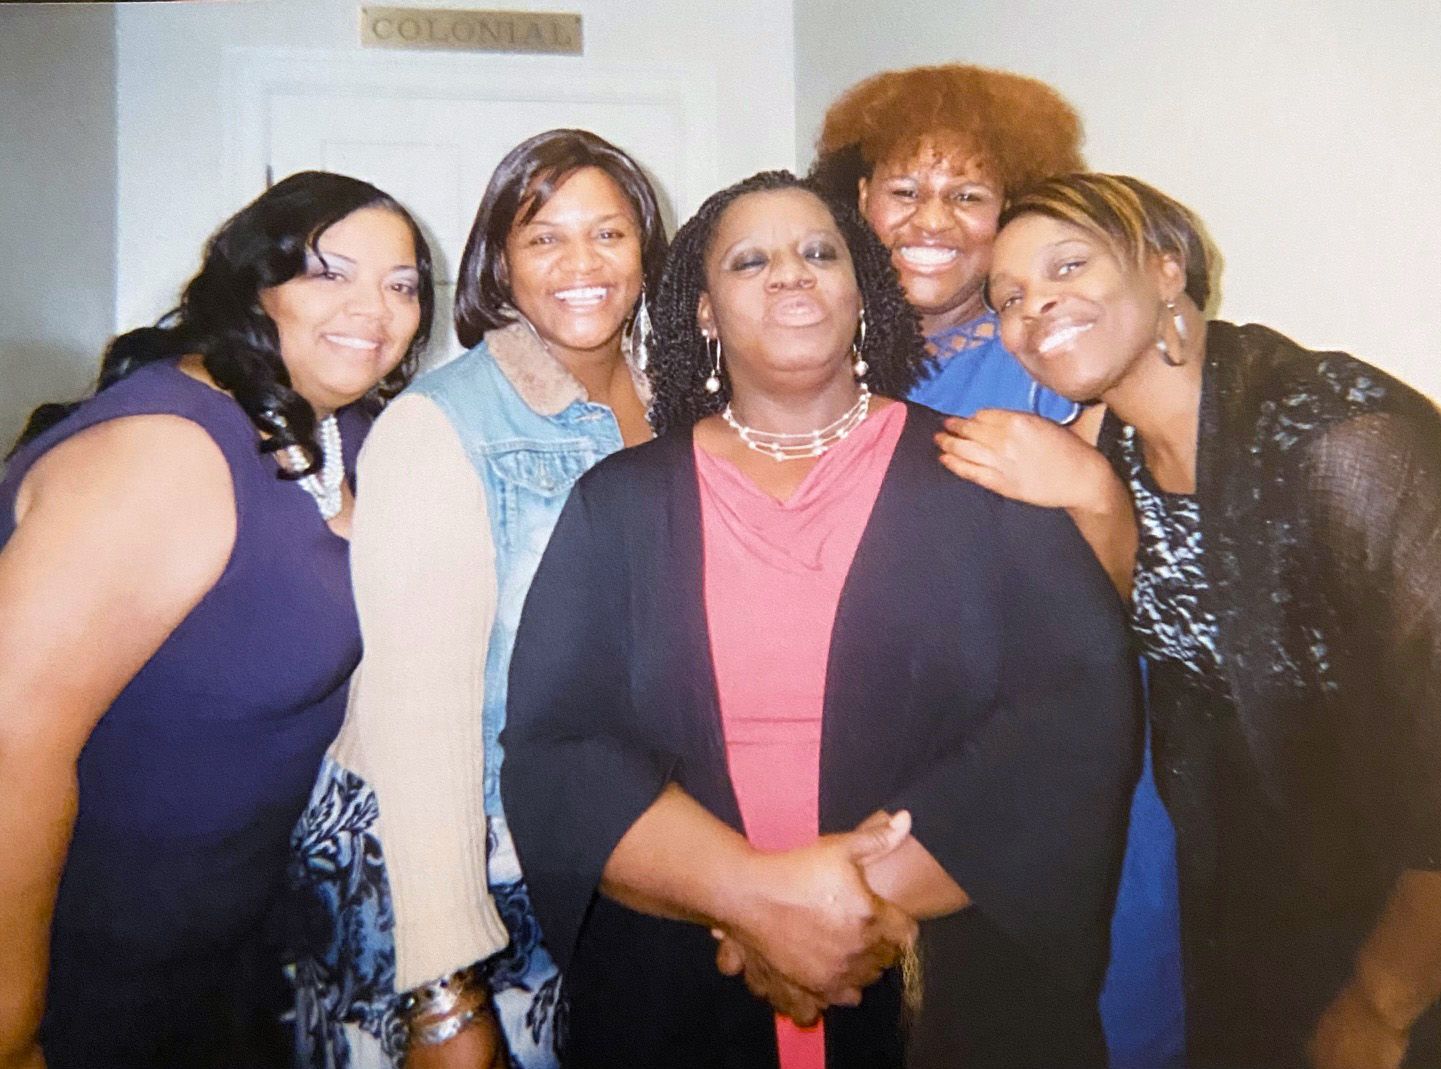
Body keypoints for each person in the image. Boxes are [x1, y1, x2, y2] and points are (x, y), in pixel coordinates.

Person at [501, 170, 1140, 1069]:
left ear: (862, 294)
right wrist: (752, 899)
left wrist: (853, 905)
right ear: (705, 313)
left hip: (935, 974)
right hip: (684, 979)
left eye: (818, 252)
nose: (791, 273)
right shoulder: (619, 504)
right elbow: (559, 748)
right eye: (749, 260)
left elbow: (1070, 715)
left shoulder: (981, 471)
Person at [944, 171, 1441, 1069]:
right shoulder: (1111, 446)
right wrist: (1093, 498)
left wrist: (1381, 1001)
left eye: (1068, 265)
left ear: (1167, 268)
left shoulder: (1341, 436)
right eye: (1008, 297)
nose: (1033, 305)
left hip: (1429, 931)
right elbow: (1143, 633)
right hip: (1261, 918)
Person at [0, 171, 434, 1069]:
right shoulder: (168, 450)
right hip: (89, 965)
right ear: (253, 285)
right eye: (330, 273)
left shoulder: (340, 430)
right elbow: (12, 737)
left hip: (223, 949)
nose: (374, 308)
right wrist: (10, 1025)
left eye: (401, 284)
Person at [814, 65, 1183, 1067]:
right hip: (880, 775)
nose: (931, 218)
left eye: (968, 193)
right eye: (904, 189)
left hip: (1045, 782)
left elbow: (1123, 616)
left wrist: (1092, 492)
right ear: (860, 198)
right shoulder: (823, 358)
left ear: (1005, 212)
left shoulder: (1051, 359)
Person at [288, 129, 668, 1069]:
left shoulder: (678, 407)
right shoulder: (440, 423)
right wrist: (444, 991)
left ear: (645, 249)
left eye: (608, 233)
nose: (582, 263)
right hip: (447, 873)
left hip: (596, 850)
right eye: (545, 237)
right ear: (501, 263)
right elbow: (416, 718)